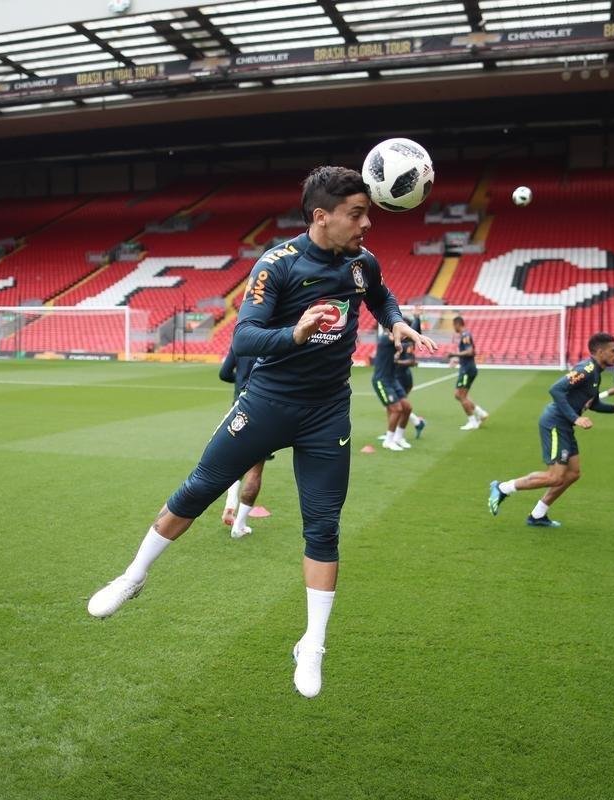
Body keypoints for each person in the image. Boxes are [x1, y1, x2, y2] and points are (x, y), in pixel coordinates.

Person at [86, 166, 436, 699]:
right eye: (357, 214)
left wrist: (397, 322)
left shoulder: (363, 263)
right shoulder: (278, 264)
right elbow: (245, 337)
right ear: (322, 217)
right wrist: (296, 332)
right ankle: (133, 576)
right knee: (200, 488)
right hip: (268, 403)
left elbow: (380, 296)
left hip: (327, 413)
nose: (367, 224)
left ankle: (312, 644)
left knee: (323, 527)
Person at [488, 333, 614, 527]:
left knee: (573, 473)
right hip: (555, 423)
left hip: (564, 425)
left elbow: (592, 403)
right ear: (600, 352)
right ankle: (502, 488)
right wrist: (575, 418)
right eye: (613, 350)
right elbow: (556, 389)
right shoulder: (587, 369)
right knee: (555, 477)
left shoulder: (596, 372)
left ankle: (538, 515)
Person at [219, 345, 266, 539]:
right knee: (255, 471)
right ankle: (239, 525)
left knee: (234, 462)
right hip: (263, 409)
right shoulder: (273, 340)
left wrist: (239, 379)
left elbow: (224, 373)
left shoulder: (241, 341)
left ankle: (230, 504)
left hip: (239, 408)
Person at [372, 331, 414, 451]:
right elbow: (399, 339)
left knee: (407, 408)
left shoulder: (397, 341)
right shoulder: (385, 338)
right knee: (397, 409)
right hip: (381, 380)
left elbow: (406, 346)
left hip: (392, 379)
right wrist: (414, 335)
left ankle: (398, 438)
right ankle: (388, 441)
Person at [451, 315, 488, 430]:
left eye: (454, 325)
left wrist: (454, 354)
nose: (454, 328)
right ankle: (481, 413)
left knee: (461, 396)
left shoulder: (465, 335)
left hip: (467, 370)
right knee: (458, 395)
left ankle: (472, 421)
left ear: (458, 324)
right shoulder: (465, 335)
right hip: (468, 367)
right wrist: (458, 359)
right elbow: (472, 353)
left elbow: (470, 351)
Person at [395, 334, 426, 438]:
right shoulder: (394, 343)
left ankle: (394, 434)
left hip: (402, 379)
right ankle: (417, 423)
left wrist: (397, 362)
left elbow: (412, 361)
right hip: (398, 378)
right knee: (398, 407)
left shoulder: (405, 344)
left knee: (396, 407)